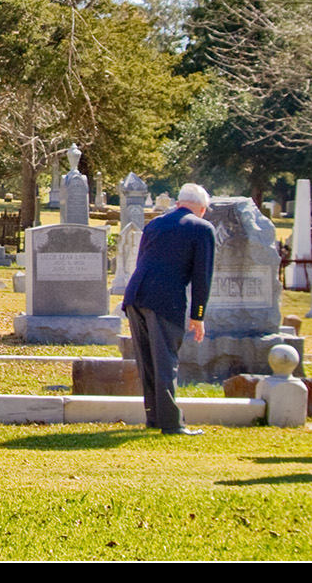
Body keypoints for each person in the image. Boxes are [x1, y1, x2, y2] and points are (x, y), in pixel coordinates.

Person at [121, 182, 215, 436]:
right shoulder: (203, 229)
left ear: (177, 203)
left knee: (147, 361)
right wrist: (198, 316)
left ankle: (154, 417)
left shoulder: (155, 224)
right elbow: (201, 276)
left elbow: (142, 260)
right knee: (165, 361)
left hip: (135, 294)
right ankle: (172, 423)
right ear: (202, 209)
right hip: (165, 298)